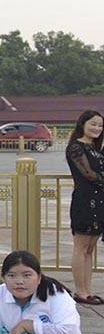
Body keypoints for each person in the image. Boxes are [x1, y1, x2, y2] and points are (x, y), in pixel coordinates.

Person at [65, 110, 104, 304]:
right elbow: (88, 174)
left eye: (100, 125)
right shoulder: (76, 147)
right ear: (83, 124)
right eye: (93, 124)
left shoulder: (96, 148)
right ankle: (80, 292)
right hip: (85, 200)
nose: (97, 128)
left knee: (90, 249)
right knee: (81, 247)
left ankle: (88, 291)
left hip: (100, 201)